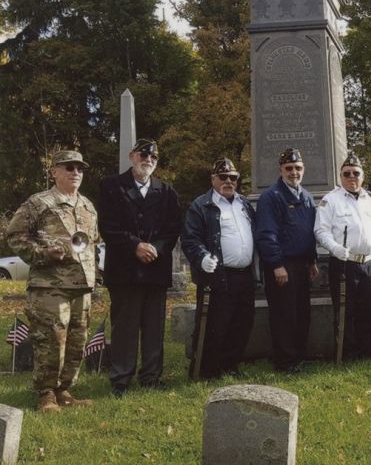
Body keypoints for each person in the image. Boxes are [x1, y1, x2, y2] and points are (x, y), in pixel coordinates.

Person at [6, 150, 100, 412]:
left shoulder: (87, 206)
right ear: (54, 171)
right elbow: (15, 235)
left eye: (80, 169)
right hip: (50, 285)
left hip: (82, 284)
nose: (75, 173)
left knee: (76, 340)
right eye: (69, 167)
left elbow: (93, 242)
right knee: (51, 340)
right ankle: (45, 394)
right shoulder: (39, 203)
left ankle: (64, 390)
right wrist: (43, 253)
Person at [98, 139, 181, 397]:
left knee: (154, 327)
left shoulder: (167, 191)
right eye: (144, 154)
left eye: (154, 157)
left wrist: (155, 247)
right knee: (124, 327)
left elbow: (173, 229)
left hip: (155, 268)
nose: (148, 160)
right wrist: (135, 246)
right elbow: (108, 226)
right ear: (132, 156)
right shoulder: (110, 186)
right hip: (124, 270)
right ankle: (120, 380)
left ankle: (151, 377)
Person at [182, 158, 256, 379]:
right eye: (222, 177)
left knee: (241, 323)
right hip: (218, 275)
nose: (228, 182)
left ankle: (230, 366)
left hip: (245, 275)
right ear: (213, 179)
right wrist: (202, 257)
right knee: (215, 324)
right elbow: (190, 239)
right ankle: (207, 370)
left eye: (233, 178)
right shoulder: (201, 205)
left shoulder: (244, 204)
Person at [315, 152, 371, 360]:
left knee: (367, 311)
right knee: (345, 312)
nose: (351, 177)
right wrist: (334, 248)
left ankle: (366, 352)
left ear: (363, 176)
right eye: (346, 173)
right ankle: (348, 354)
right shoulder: (330, 200)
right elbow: (321, 231)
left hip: (368, 263)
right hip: (343, 263)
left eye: (355, 173)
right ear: (340, 177)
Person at [255, 148, 318, 373]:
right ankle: (284, 361)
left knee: (301, 313)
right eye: (289, 168)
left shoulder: (308, 197)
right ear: (280, 169)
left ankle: (298, 357)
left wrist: (312, 260)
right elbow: (266, 234)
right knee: (284, 315)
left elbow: (309, 232)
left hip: (302, 265)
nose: (294, 172)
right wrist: (276, 264)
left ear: (304, 170)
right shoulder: (271, 197)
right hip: (283, 266)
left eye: (298, 168)